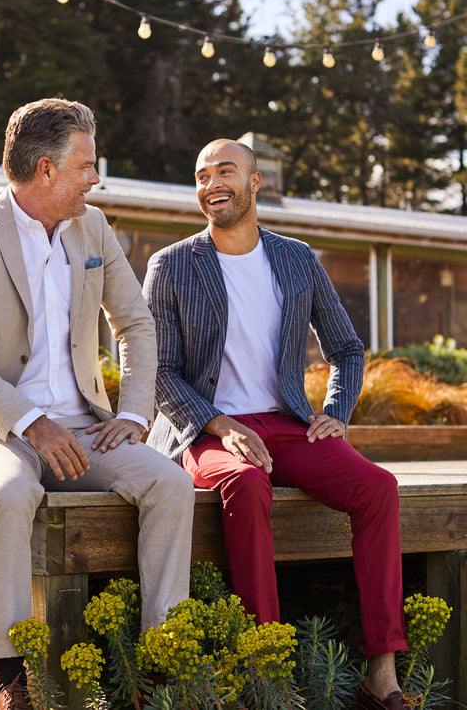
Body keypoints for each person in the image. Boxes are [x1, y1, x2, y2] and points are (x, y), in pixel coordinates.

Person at [0, 98, 194, 710]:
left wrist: (132, 414)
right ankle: (8, 672)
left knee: (171, 483)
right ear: (46, 169)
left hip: (86, 426)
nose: (95, 178)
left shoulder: (93, 228)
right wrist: (31, 422)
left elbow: (135, 324)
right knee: (14, 491)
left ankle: (159, 666)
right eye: (86, 165)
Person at [143, 138, 413, 710]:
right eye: (201, 175)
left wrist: (336, 415)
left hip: (288, 422)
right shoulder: (170, 265)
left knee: (378, 487)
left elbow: (345, 348)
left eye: (225, 170)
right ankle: (263, 672)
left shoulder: (296, 259)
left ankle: (382, 674)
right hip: (206, 428)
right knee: (245, 480)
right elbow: (159, 373)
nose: (212, 183)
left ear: (255, 182)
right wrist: (218, 424)